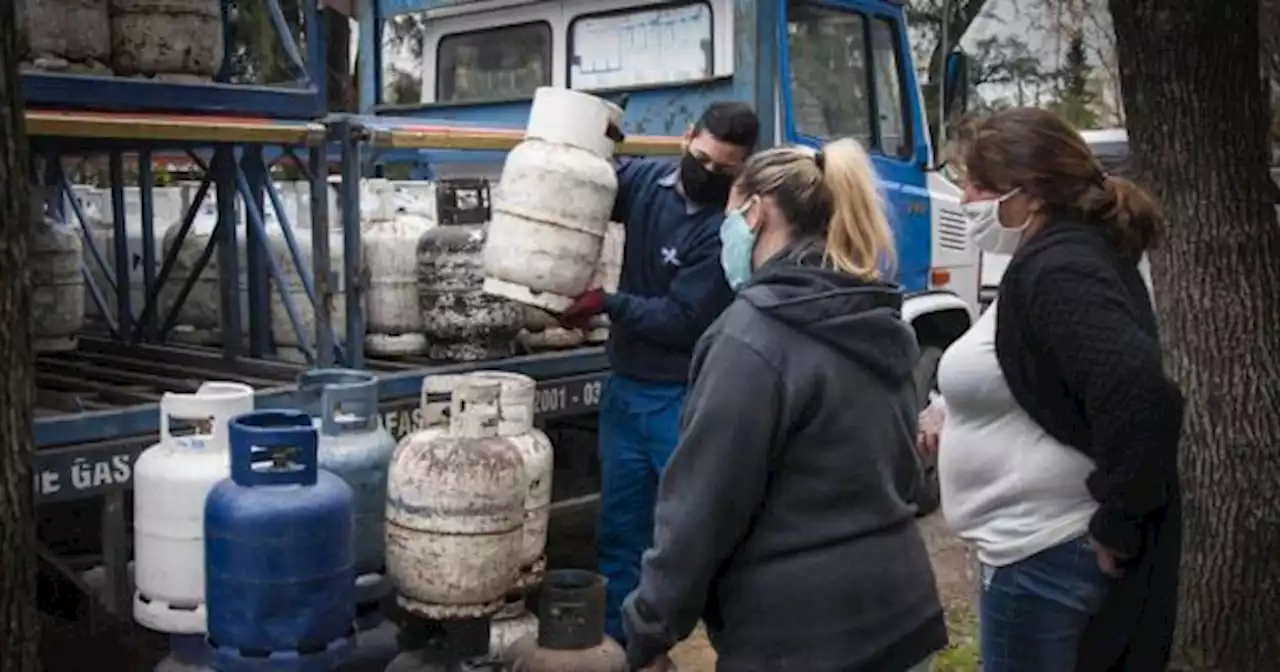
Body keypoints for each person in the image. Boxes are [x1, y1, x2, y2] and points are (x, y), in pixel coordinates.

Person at [619, 138, 947, 672]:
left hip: (800, 639)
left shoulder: (751, 337)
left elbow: (702, 507)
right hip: (902, 617)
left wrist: (650, 630)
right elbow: (905, 477)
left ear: (756, 212)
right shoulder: (875, 315)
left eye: (729, 216)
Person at [918, 107, 1184, 672]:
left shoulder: (1062, 267)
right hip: (1037, 550)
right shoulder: (1053, 255)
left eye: (979, 185)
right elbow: (1044, 376)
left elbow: (1141, 394)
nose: (964, 199)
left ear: (1031, 193)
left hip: (1045, 551)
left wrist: (1119, 522)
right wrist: (956, 414)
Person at [558, 101, 760, 643]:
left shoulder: (725, 233)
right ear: (687, 137)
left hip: (681, 396)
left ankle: (716, 639)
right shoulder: (647, 181)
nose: (710, 174)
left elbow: (680, 320)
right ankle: (623, 644)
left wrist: (607, 302)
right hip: (626, 390)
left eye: (726, 170)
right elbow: (590, 185)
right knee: (619, 528)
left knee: (689, 533)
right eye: (704, 159)